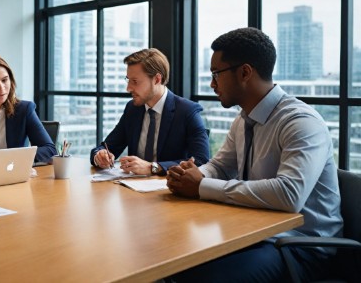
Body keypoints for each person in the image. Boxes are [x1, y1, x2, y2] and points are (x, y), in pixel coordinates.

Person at [166, 27, 342, 282]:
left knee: (204, 276)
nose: (212, 83)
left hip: (302, 247)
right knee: (178, 260)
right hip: (255, 233)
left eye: (216, 73)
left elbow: (289, 194)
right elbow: (220, 166)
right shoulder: (243, 119)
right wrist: (191, 175)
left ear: (245, 72)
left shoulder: (301, 122)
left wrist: (201, 185)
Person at [91, 48, 209, 175]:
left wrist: (152, 167)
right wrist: (100, 155)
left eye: (135, 81)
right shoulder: (132, 108)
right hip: (132, 189)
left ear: (157, 79)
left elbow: (201, 161)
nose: (128, 88)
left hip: (169, 190)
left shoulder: (187, 111)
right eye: (128, 80)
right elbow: (107, 146)